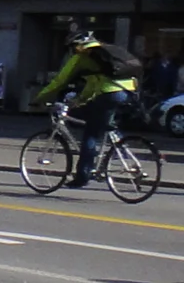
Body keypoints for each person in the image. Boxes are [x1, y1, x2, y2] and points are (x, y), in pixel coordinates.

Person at [31, 33, 140, 182]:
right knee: (103, 121)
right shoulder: (106, 53)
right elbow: (94, 83)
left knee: (91, 133)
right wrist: (81, 99)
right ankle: (117, 150)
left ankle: (83, 176)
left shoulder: (82, 57)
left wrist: (39, 98)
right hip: (129, 92)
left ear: (76, 46)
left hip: (109, 94)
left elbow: (59, 81)